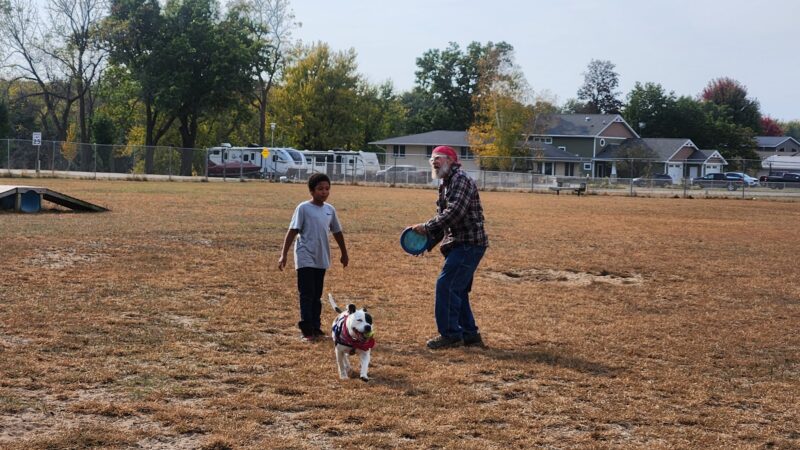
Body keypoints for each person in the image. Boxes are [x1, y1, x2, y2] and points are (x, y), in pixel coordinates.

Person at [408, 145, 489, 349]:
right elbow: (444, 220)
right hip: (460, 244)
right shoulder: (445, 183)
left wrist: (426, 227)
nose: (434, 162)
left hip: (468, 244)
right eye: (432, 159)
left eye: (439, 158)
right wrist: (427, 242)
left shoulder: (460, 179)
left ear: (451, 160)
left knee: (446, 286)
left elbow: (454, 213)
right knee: (457, 290)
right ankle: (470, 335)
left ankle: (451, 335)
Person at [279, 173, 349, 341]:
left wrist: (344, 253)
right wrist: (284, 254)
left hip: (321, 256)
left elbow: (337, 232)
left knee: (317, 295)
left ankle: (316, 327)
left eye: (327, 189)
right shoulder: (303, 208)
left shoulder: (330, 210)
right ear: (311, 191)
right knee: (306, 293)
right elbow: (293, 231)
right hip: (305, 255)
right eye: (320, 189)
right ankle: (307, 329)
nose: (324, 192)